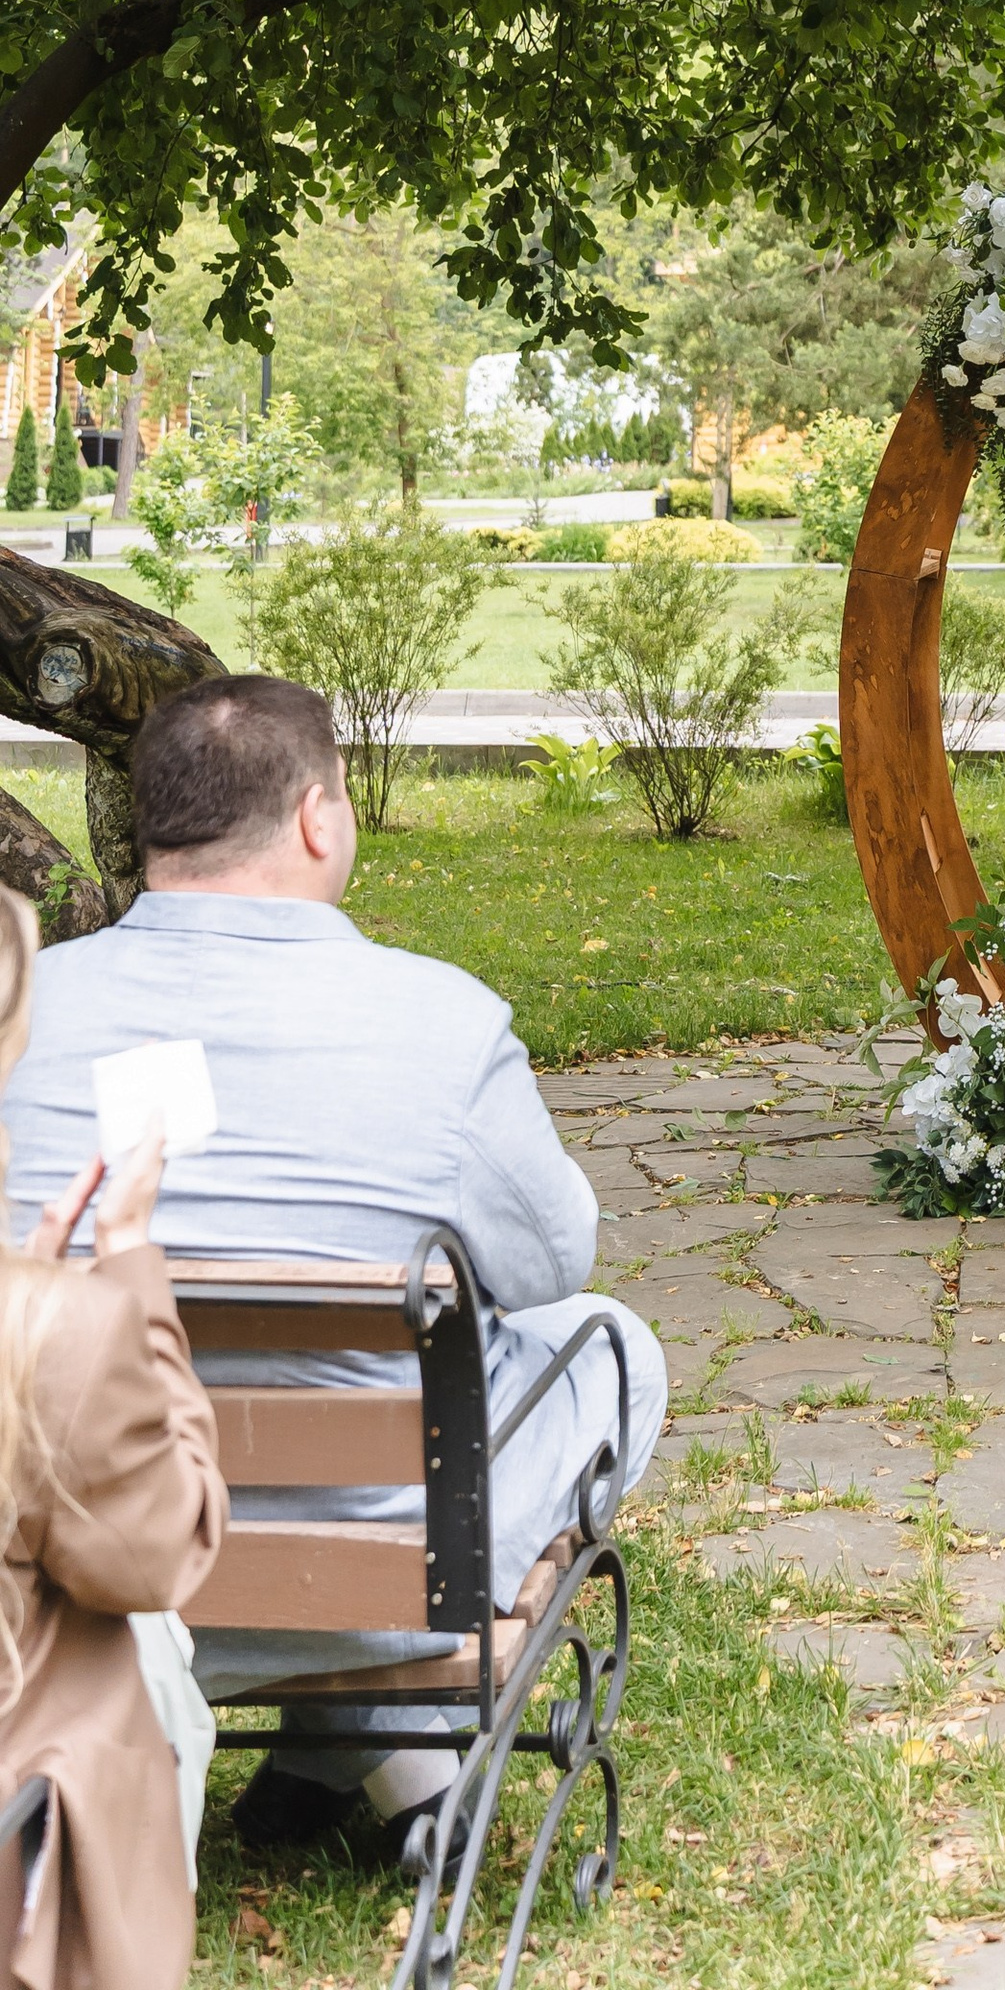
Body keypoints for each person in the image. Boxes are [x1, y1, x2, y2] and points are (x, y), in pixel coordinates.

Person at [3, 674, 668, 1860]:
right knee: (614, 1346)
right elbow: (552, 1260)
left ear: (153, 826)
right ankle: (395, 1756)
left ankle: (360, 1763)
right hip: (375, 1573)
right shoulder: (443, 1025)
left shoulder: (22, 1011)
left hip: (78, 1570)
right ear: (320, 818)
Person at [0, 887, 226, 1990]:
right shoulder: (45, 1336)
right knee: (153, 1649)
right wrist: (125, 1269)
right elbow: (162, 1548)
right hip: (24, 1843)